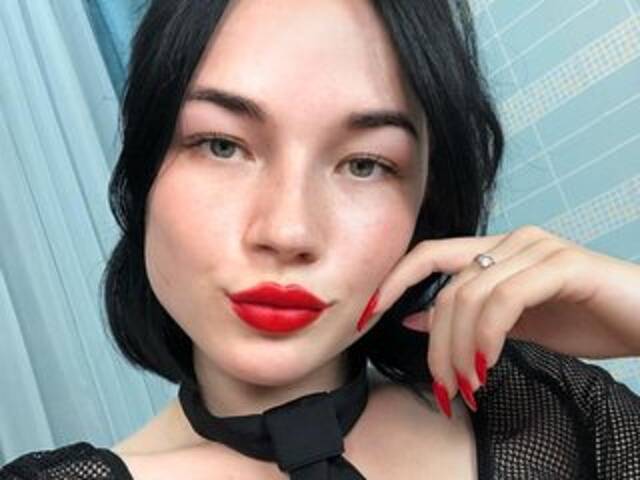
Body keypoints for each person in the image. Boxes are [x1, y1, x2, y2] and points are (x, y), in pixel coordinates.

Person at [2, 0, 639, 479]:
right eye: (222, 145)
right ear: (144, 176)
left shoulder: (554, 415)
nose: (289, 232)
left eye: (365, 164)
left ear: (427, 206)